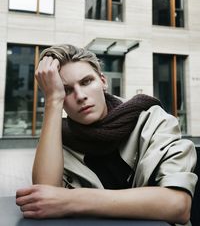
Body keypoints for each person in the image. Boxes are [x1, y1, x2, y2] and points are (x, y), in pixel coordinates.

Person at [16, 44, 197, 225]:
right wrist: (53, 101)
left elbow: (177, 205)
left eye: (86, 81)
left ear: (103, 81)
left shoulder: (152, 121)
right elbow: (44, 199)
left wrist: (71, 200)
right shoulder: (57, 142)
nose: (80, 96)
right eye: (66, 91)